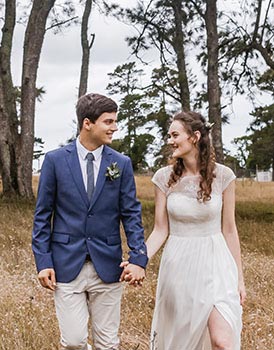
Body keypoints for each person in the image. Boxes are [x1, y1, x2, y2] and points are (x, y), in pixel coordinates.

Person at [32, 93, 147, 350]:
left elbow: (131, 214)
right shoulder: (55, 161)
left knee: (108, 343)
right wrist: (43, 261)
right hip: (65, 264)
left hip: (108, 264)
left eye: (115, 121)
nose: (114, 127)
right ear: (87, 123)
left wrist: (139, 258)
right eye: (108, 121)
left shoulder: (121, 163)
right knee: (73, 341)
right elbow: (42, 216)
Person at [145, 111, 245, 349]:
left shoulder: (223, 176)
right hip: (179, 265)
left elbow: (229, 229)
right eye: (169, 135)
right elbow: (160, 230)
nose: (170, 140)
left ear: (195, 137)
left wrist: (239, 278)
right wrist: (140, 260)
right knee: (183, 341)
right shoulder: (163, 178)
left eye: (175, 135)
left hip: (216, 263)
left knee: (222, 340)